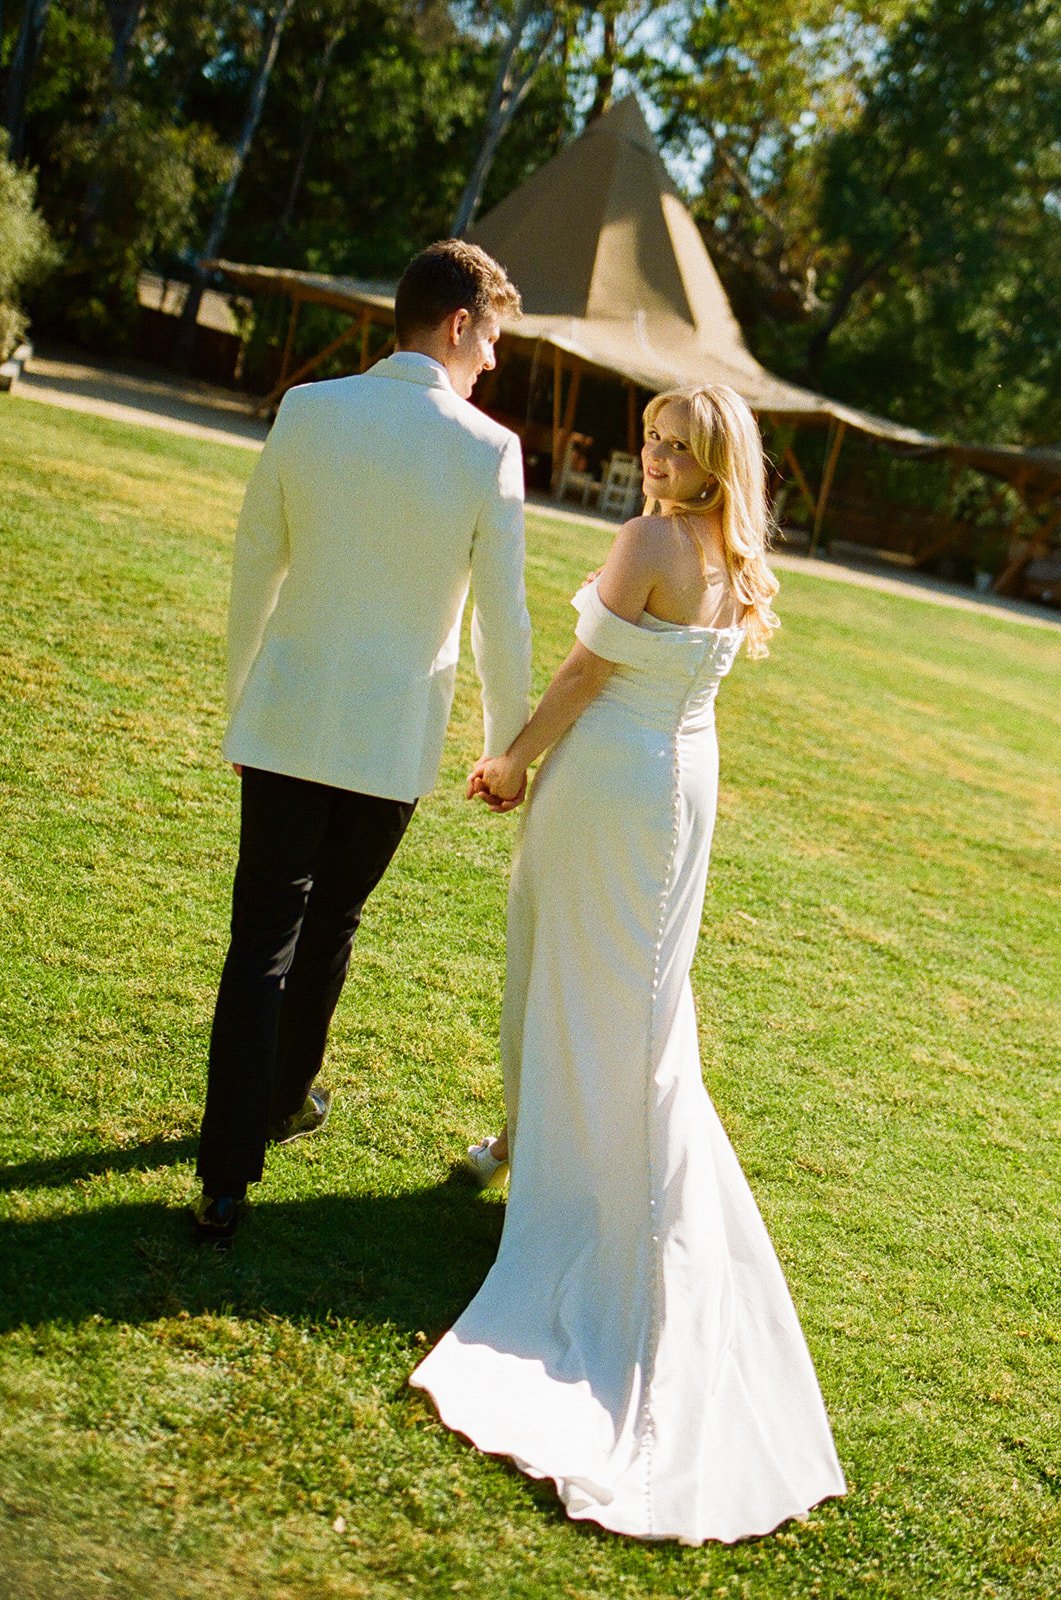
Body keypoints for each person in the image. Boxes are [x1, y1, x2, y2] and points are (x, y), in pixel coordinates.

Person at [410, 384, 846, 1542]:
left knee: (577, 978)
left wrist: (507, 760)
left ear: (715, 464)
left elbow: (581, 675)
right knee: (639, 1001)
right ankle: (538, 1143)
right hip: (682, 787)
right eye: (650, 442)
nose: (652, 461)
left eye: (676, 449)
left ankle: (577, 1179)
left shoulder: (652, 540)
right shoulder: (730, 553)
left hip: (608, 781)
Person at [192, 240, 533, 1243]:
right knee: (328, 922)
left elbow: (255, 565)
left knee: (262, 939)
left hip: (290, 713)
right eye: (494, 342)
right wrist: (505, 745)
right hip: (390, 737)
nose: (495, 366)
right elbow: (499, 620)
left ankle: (224, 1176)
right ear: (459, 325)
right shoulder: (487, 450)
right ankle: (283, 1102)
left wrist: (240, 705)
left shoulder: (308, 409)